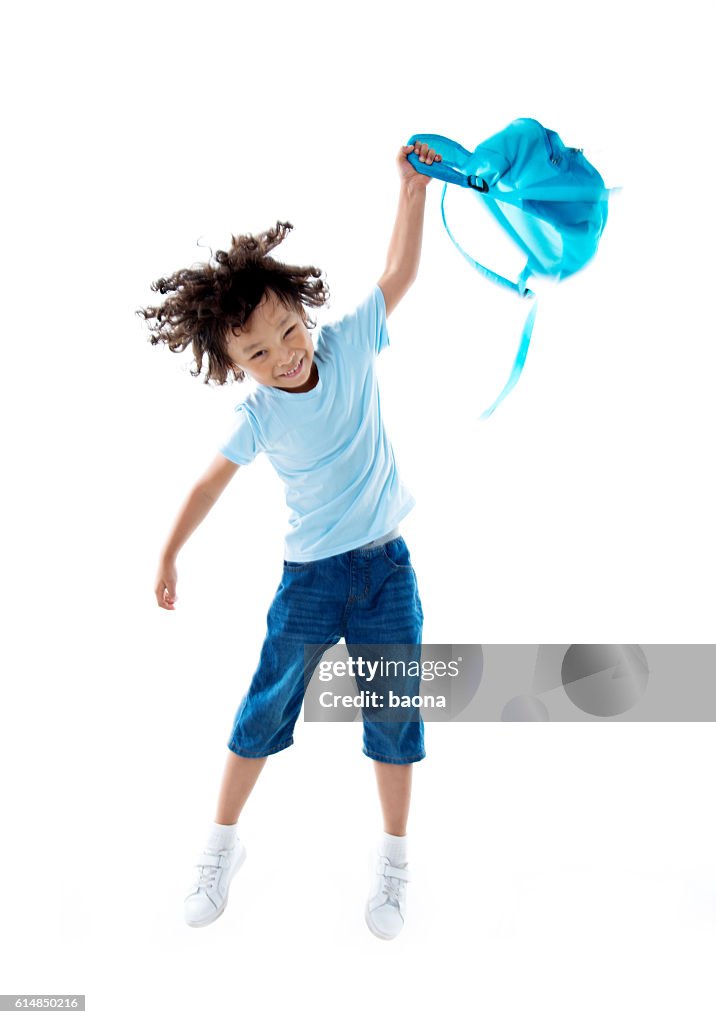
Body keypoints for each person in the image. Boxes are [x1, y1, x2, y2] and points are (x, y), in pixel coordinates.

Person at [139, 140, 443, 940]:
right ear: (232, 363)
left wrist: (412, 193)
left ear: (303, 311)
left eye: (285, 330)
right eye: (257, 351)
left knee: (395, 714)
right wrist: (171, 551)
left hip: (386, 573)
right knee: (263, 711)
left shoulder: (348, 345)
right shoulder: (260, 414)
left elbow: (400, 273)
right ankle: (220, 846)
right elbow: (208, 484)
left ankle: (395, 863)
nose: (282, 355)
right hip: (309, 581)